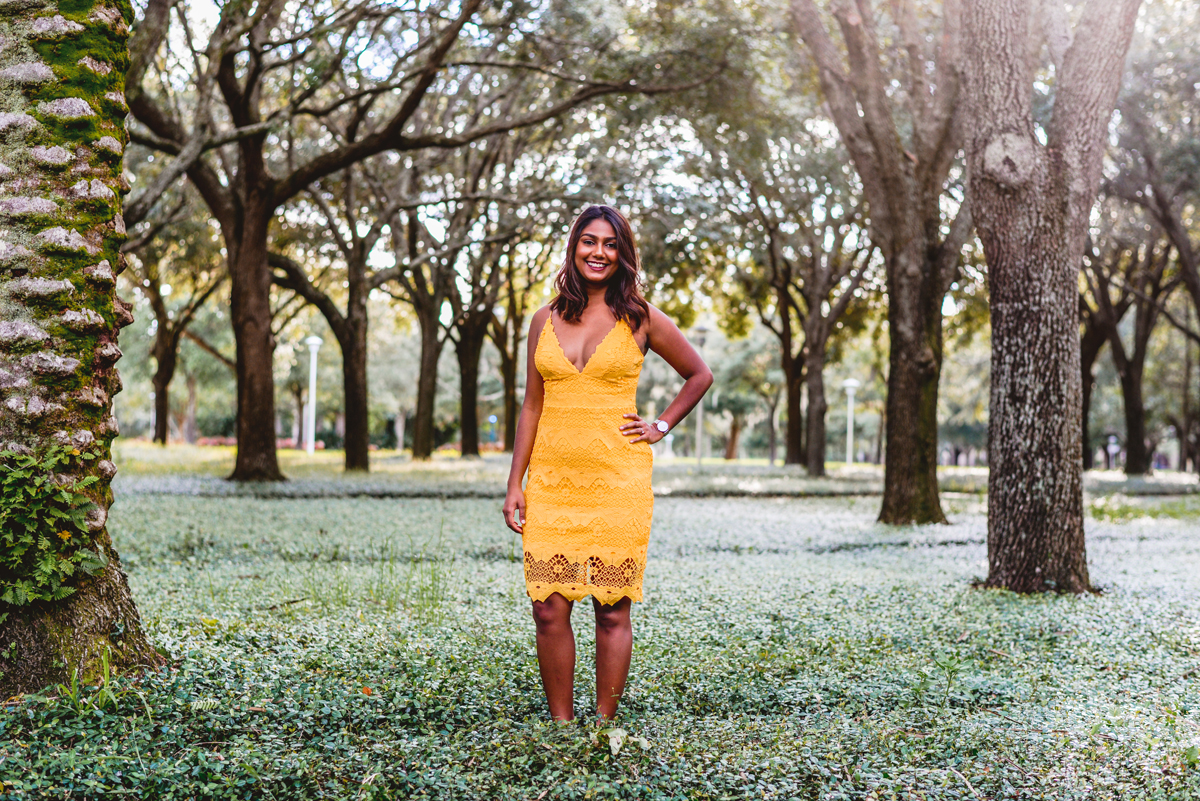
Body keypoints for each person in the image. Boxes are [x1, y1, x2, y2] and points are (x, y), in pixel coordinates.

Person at [503, 205, 713, 721]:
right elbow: (532, 404)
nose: (599, 252)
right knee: (548, 608)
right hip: (552, 482)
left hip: (617, 480)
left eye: (611, 244)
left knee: (611, 609)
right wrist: (515, 484)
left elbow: (699, 374)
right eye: (590, 242)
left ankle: (603, 725)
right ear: (574, 247)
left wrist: (659, 425)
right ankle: (561, 726)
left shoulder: (639, 316)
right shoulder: (543, 320)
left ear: (623, 255)